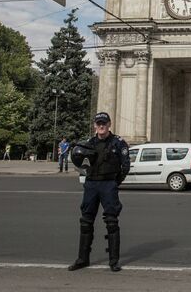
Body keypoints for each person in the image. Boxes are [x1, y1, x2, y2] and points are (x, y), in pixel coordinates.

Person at [68, 112, 130, 272]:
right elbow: (79, 163)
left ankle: (114, 261)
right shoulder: (88, 143)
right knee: (86, 221)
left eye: (104, 123)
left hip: (108, 184)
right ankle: (82, 259)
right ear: (95, 125)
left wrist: (115, 182)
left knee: (111, 221)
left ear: (109, 124)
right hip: (91, 184)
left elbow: (126, 166)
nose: (101, 126)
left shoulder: (119, 143)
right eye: (98, 123)